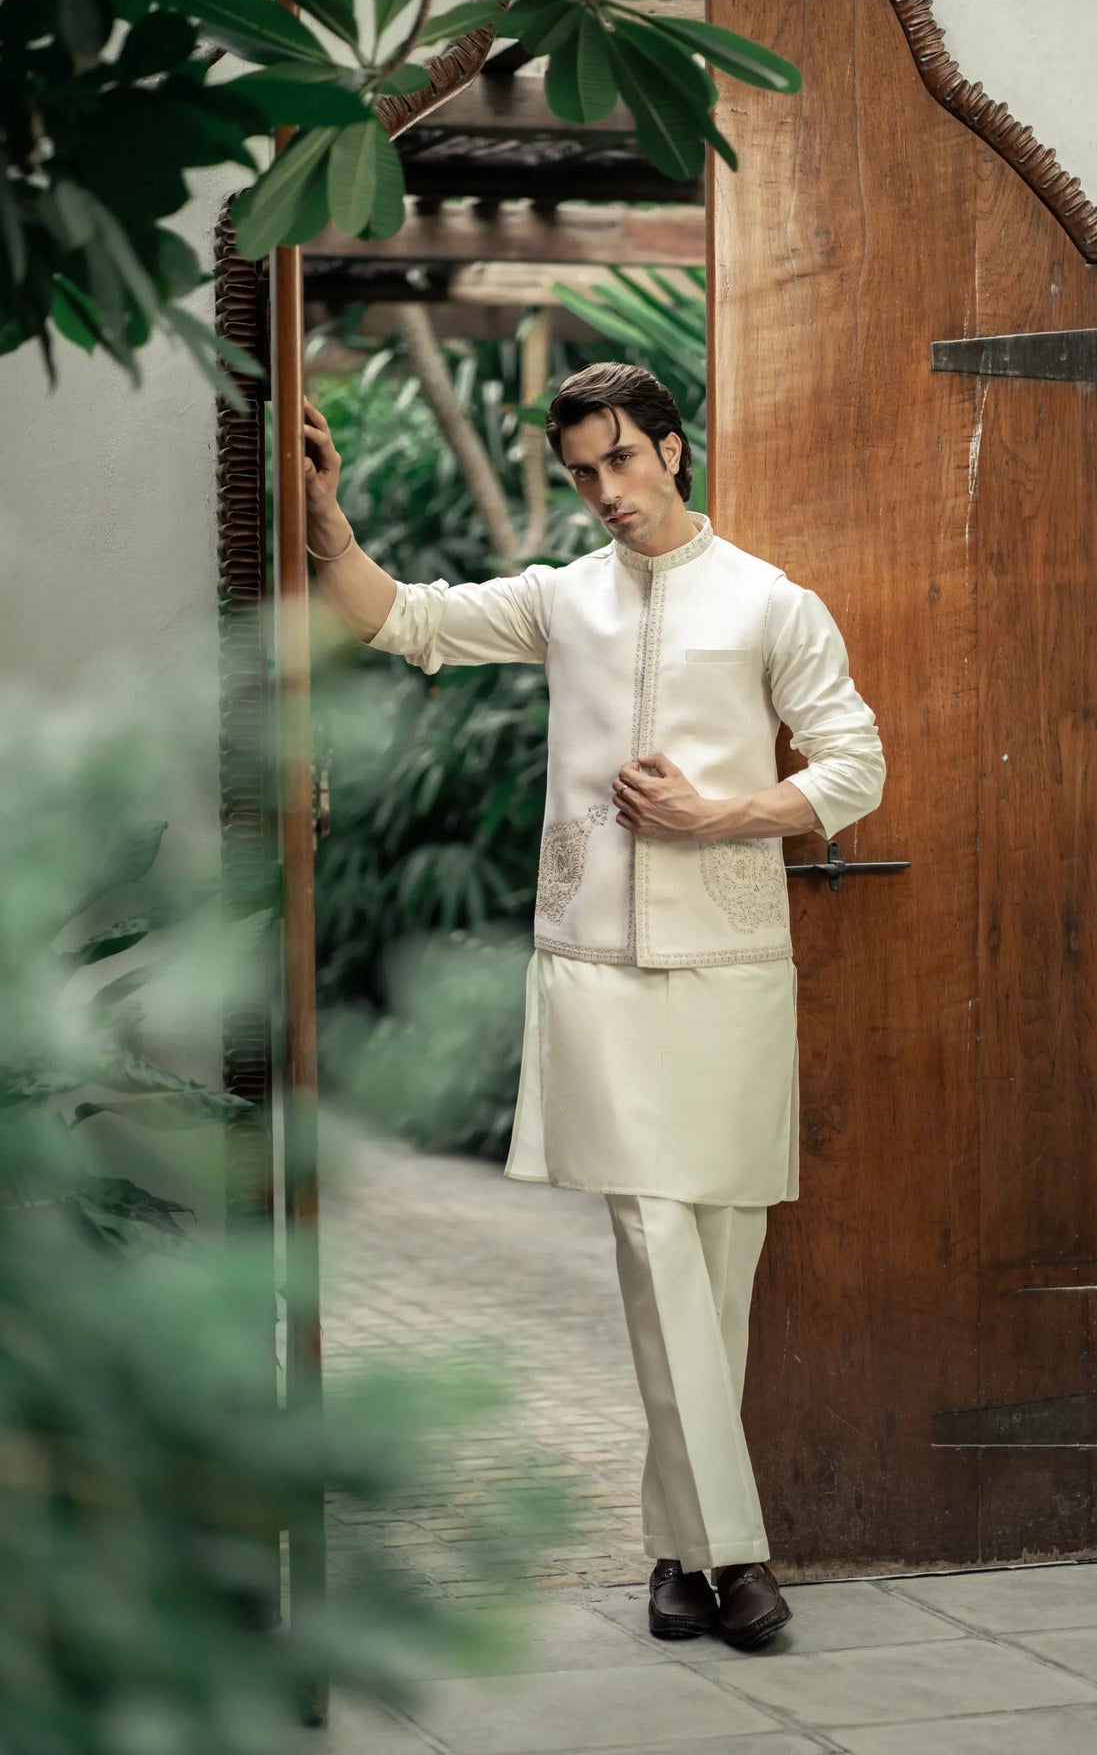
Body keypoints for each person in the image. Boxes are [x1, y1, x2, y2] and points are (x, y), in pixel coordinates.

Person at [302, 362, 885, 1651]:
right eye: (581, 473)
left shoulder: (772, 604)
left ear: (672, 448)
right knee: (657, 1241)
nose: (604, 490)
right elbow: (401, 619)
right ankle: (739, 1555)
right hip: (597, 974)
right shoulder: (562, 599)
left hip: (734, 969)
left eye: (621, 459)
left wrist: (719, 815)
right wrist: (329, 526)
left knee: (721, 1263)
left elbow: (857, 766)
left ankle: (676, 1556)